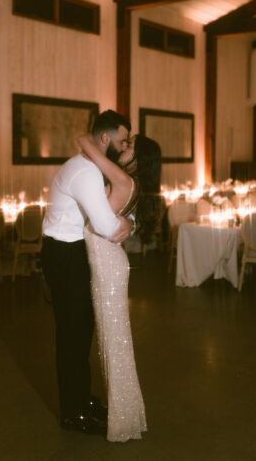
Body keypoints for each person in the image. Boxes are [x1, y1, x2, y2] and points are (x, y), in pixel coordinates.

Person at [41, 110, 135, 436]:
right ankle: (74, 413)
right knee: (73, 336)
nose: (125, 149)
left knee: (81, 333)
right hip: (64, 255)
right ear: (105, 139)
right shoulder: (86, 173)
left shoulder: (90, 168)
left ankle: (82, 400)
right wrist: (129, 225)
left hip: (70, 253)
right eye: (122, 141)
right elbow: (107, 226)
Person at [78, 132, 162, 442]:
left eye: (128, 146)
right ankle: (125, 414)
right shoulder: (130, 181)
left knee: (115, 343)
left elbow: (84, 142)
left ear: (139, 159)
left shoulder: (123, 179)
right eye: (123, 142)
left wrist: (101, 137)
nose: (121, 148)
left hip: (109, 266)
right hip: (110, 262)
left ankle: (122, 419)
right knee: (115, 342)